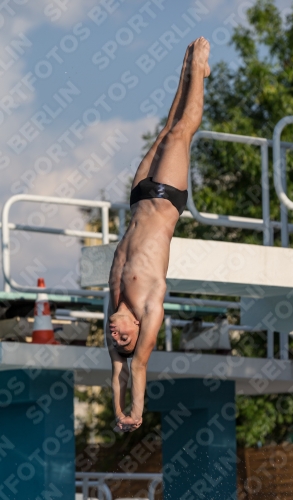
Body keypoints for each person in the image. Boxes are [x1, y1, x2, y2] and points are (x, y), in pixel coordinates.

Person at [107, 37, 210, 432]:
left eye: (114, 338)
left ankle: (187, 71)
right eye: (123, 337)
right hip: (166, 198)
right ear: (137, 332)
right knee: (183, 130)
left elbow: (116, 370)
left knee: (166, 128)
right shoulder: (149, 308)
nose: (115, 333)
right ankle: (200, 69)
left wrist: (116, 412)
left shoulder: (115, 309)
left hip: (138, 197)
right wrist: (135, 411)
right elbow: (137, 368)